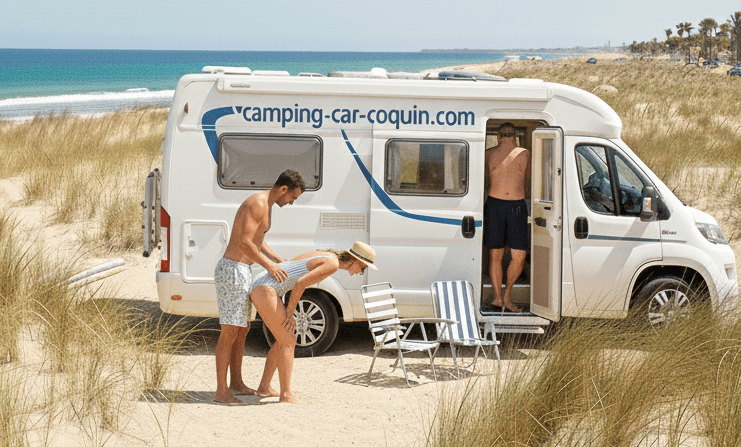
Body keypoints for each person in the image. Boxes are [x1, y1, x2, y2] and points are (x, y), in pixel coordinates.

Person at [213, 170, 306, 405]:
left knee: (242, 329)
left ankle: (236, 383)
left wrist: (278, 260)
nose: (292, 202)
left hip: (243, 270)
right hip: (232, 269)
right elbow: (243, 242)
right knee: (229, 331)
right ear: (283, 189)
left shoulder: (267, 206)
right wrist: (269, 266)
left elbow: (257, 240)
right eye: (292, 197)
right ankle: (221, 391)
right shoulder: (257, 203)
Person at [251, 241, 377, 404]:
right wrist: (290, 312)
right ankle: (286, 395)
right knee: (288, 340)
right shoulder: (332, 264)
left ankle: (264, 388)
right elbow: (300, 283)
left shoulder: (328, 255)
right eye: (363, 268)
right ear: (355, 260)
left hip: (264, 287)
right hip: (265, 289)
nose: (361, 272)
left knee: (284, 339)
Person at [485, 123, 531, 312]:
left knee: (519, 254)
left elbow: (530, 179)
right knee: (496, 254)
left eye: (508, 135)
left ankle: (506, 296)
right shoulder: (489, 154)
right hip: (495, 204)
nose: (505, 138)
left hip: (516, 205)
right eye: (504, 135)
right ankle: (498, 298)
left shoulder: (524, 153)